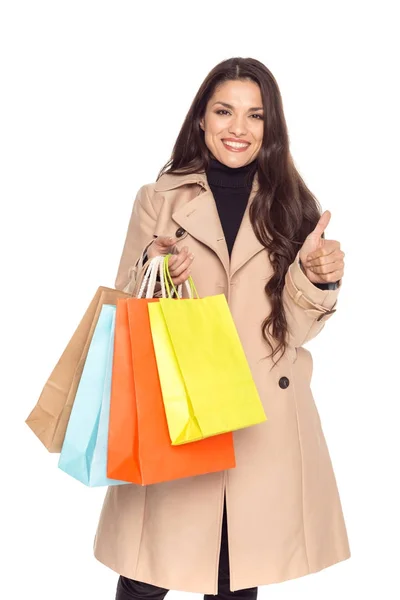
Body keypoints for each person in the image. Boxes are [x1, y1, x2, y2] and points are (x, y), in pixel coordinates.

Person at [93, 57, 350, 600]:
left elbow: (296, 332)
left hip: (258, 416)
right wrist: (157, 266)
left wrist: (316, 279)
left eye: (255, 115)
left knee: (234, 578)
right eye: (224, 111)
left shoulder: (294, 207)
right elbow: (126, 302)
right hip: (180, 409)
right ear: (202, 120)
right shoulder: (159, 199)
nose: (239, 128)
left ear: (270, 127)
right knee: (146, 574)